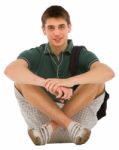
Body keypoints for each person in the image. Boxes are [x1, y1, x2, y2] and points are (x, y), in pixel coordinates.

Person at [4, 5, 115, 145]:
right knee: (20, 80)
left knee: (98, 80)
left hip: (78, 125)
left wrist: (69, 81)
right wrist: (47, 84)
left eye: (61, 27)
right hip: (40, 126)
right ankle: (64, 124)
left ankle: (55, 125)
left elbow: (108, 73)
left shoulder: (81, 53)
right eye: (51, 28)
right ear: (43, 30)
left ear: (69, 27)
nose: (57, 33)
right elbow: (10, 70)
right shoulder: (35, 54)